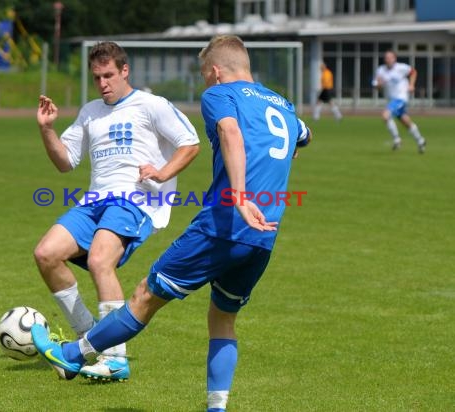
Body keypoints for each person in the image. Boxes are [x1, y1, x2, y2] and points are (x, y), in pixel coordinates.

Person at [32, 34, 311, 411]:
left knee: (146, 295)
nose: (204, 81)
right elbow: (302, 137)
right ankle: (216, 408)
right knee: (222, 317)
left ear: (214, 71)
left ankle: (75, 354)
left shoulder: (218, 95)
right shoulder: (283, 104)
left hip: (223, 223)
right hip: (264, 233)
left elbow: (228, 132)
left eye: (203, 74)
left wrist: (242, 197)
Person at [34, 41, 200, 381]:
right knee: (46, 253)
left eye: (109, 75)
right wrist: (47, 129)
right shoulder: (90, 111)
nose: (103, 83)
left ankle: (114, 358)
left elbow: (191, 143)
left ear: (125, 71)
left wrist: (163, 173)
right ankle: (88, 335)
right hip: (95, 200)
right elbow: (65, 162)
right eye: (97, 77)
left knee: (99, 260)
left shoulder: (151, 104)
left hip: (134, 199)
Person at [372, 50, 426, 153]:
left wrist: (411, 85)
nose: (387, 59)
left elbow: (413, 72)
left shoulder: (401, 67)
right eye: (386, 58)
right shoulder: (380, 70)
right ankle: (420, 140)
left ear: (394, 58)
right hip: (391, 99)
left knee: (385, 115)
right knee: (405, 121)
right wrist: (379, 85)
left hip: (401, 97)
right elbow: (377, 86)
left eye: (390, 57)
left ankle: (397, 139)